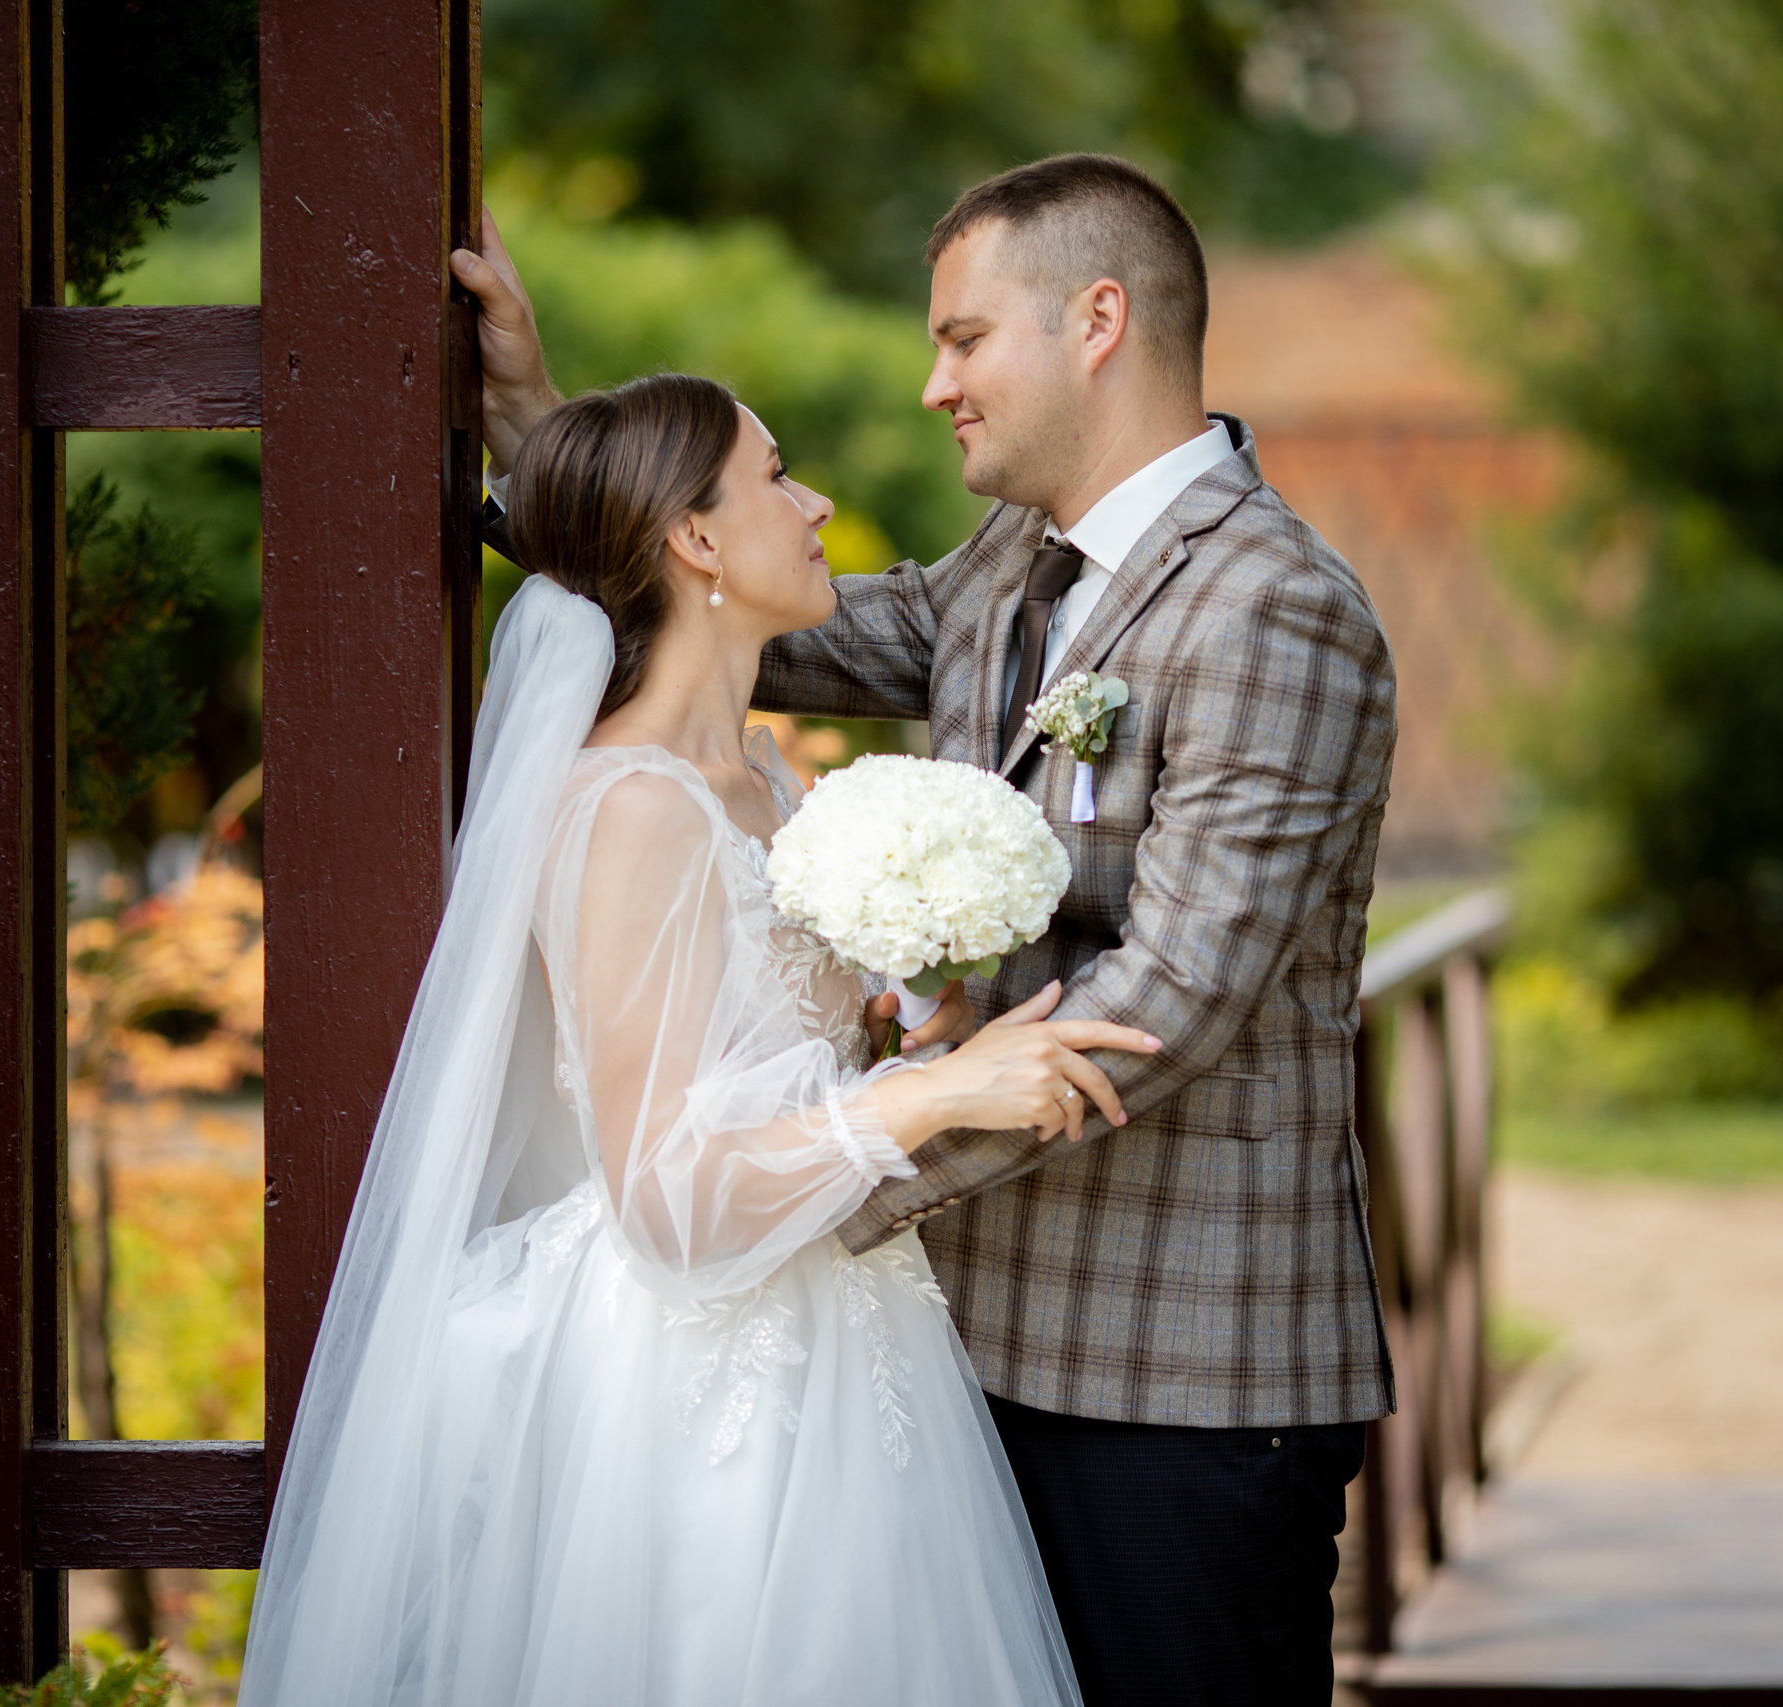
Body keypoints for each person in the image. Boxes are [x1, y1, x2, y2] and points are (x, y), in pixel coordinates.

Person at [454, 153, 1398, 1706]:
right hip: (957, 1354)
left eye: (964, 339)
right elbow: (725, 612)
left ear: (1097, 322)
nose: (932, 384)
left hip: (1177, 1374)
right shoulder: (1011, 570)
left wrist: (795, 1191)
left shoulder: (1273, 607)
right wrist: (536, 423)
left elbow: (1168, 1003)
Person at [238, 372, 1163, 1704]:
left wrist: (920, 1044)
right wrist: (936, 1097)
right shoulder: (632, 809)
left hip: (845, 1333)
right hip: (690, 1395)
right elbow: (666, 1201)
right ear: (695, 539)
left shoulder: (766, 782)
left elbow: (781, 1079)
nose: (817, 504)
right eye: (777, 476)